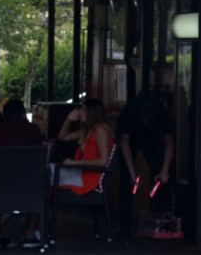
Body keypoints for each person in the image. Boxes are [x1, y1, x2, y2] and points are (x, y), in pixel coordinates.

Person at [0, 98, 47, 249]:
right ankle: (30, 235)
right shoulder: (34, 130)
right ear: (23, 114)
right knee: (43, 183)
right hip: (30, 188)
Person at [115, 91, 175, 226]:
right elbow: (124, 142)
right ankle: (125, 224)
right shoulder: (129, 114)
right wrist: (132, 173)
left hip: (150, 138)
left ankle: (167, 215)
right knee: (126, 178)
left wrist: (164, 170)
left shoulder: (162, 114)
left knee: (162, 171)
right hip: (130, 138)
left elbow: (170, 142)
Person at [56, 98, 113, 196]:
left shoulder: (100, 130)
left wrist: (74, 163)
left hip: (90, 177)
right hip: (83, 172)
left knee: (50, 175)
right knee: (48, 172)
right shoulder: (88, 130)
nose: (80, 113)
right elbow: (62, 137)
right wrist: (68, 119)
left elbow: (104, 161)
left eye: (83, 110)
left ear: (91, 112)